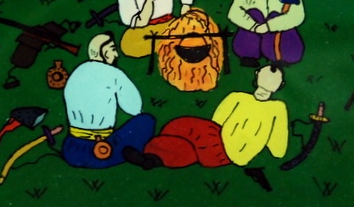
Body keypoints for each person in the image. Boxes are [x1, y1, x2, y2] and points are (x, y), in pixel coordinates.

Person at [123, 64, 289, 169]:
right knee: (179, 127)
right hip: (217, 136)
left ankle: (153, 158)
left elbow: (278, 147)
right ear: (258, 74)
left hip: (226, 150)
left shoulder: (277, 108)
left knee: (189, 144)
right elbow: (217, 120)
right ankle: (151, 156)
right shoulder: (238, 97)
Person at [61, 32, 156, 168]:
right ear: (104, 53)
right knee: (146, 120)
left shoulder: (76, 72)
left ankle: (127, 152)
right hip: (104, 149)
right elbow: (135, 108)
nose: (116, 55)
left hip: (72, 150)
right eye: (113, 49)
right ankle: (128, 152)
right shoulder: (113, 73)